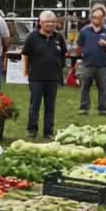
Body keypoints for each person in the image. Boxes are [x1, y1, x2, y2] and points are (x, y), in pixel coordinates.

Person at [21, 11, 67, 139]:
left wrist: (60, 69)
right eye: (47, 22)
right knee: (34, 105)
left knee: (50, 106)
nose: (50, 24)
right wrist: (25, 71)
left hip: (53, 78)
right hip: (36, 77)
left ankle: (48, 132)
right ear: (41, 23)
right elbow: (25, 54)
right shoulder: (32, 37)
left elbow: (63, 54)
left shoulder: (59, 38)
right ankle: (32, 130)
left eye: (53, 22)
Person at [76, 8, 106, 115]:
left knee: (103, 88)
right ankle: (84, 108)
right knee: (85, 87)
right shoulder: (84, 31)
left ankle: (102, 109)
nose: (95, 19)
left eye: (98, 17)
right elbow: (78, 46)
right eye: (93, 17)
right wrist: (81, 57)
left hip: (102, 65)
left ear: (103, 19)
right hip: (87, 64)